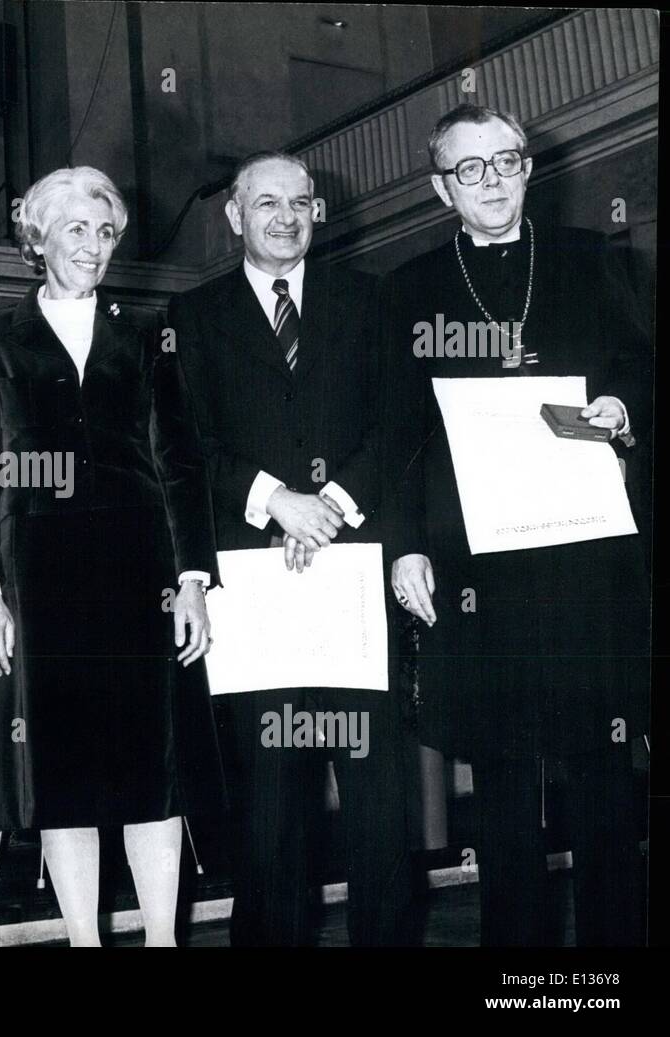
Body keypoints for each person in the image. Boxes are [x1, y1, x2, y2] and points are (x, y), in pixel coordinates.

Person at [381, 104, 650, 946]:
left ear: (529, 169)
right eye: (470, 168)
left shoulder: (586, 257)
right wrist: (406, 548)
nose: (492, 181)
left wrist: (623, 407)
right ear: (440, 187)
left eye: (506, 162)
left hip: (583, 554)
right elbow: (394, 432)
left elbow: (643, 367)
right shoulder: (412, 287)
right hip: (475, 575)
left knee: (604, 768)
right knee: (501, 779)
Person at [0, 166, 224, 947]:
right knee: (61, 769)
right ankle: (83, 938)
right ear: (36, 236)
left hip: (140, 569)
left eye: (106, 232)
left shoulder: (149, 336)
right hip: (36, 570)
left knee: (156, 764)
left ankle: (162, 938)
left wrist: (191, 580)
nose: (94, 246)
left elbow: (179, 461)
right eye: (76, 229)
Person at [167, 152, 416, 946]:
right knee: (272, 805)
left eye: (299, 202)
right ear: (235, 216)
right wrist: (274, 498)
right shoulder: (189, 317)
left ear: (318, 211)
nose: (285, 216)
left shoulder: (371, 301)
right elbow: (184, 445)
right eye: (265, 203)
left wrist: (332, 505)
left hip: (353, 578)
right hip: (254, 585)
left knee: (378, 799)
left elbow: (402, 426)